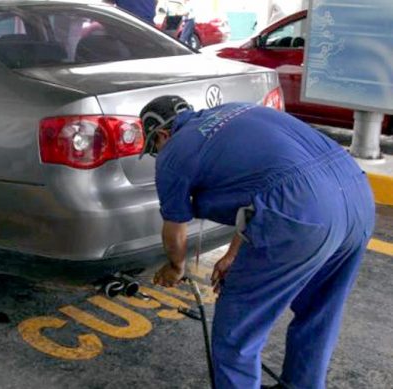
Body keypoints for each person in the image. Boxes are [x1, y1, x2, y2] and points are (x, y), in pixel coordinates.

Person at [142, 96, 375, 389]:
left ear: (162, 134)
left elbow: (175, 229)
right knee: (320, 312)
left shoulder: (174, 152)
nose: (157, 155)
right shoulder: (236, 109)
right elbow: (262, 187)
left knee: (236, 334)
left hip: (302, 213)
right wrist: (232, 254)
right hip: (357, 195)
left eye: (154, 148)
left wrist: (175, 267)